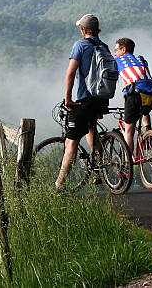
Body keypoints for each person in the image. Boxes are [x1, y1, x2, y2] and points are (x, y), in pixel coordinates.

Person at [55, 14, 110, 189]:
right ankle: (98, 169)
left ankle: (59, 184)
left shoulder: (80, 45)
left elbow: (70, 73)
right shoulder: (105, 47)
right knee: (91, 128)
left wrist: (68, 99)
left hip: (84, 100)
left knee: (71, 142)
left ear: (84, 30)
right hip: (102, 99)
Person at [113, 37, 152, 153]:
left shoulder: (118, 60)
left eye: (116, 50)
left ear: (123, 50)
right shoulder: (140, 58)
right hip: (150, 93)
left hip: (133, 94)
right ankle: (148, 132)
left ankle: (128, 163)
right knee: (144, 111)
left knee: (129, 131)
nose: (115, 53)